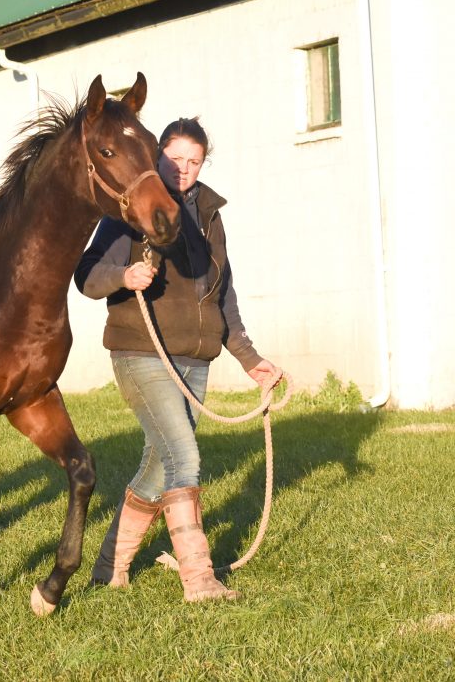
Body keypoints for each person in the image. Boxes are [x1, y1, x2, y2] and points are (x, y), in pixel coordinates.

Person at [74, 117, 279, 602]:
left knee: (161, 467)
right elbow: (85, 274)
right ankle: (200, 579)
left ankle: (109, 567)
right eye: (175, 158)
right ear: (158, 155)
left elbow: (221, 294)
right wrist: (124, 277)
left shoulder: (209, 213)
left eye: (194, 161)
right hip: (141, 355)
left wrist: (250, 360)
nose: (183, 169)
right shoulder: (129, 211)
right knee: (184, 456)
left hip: (195, 360)